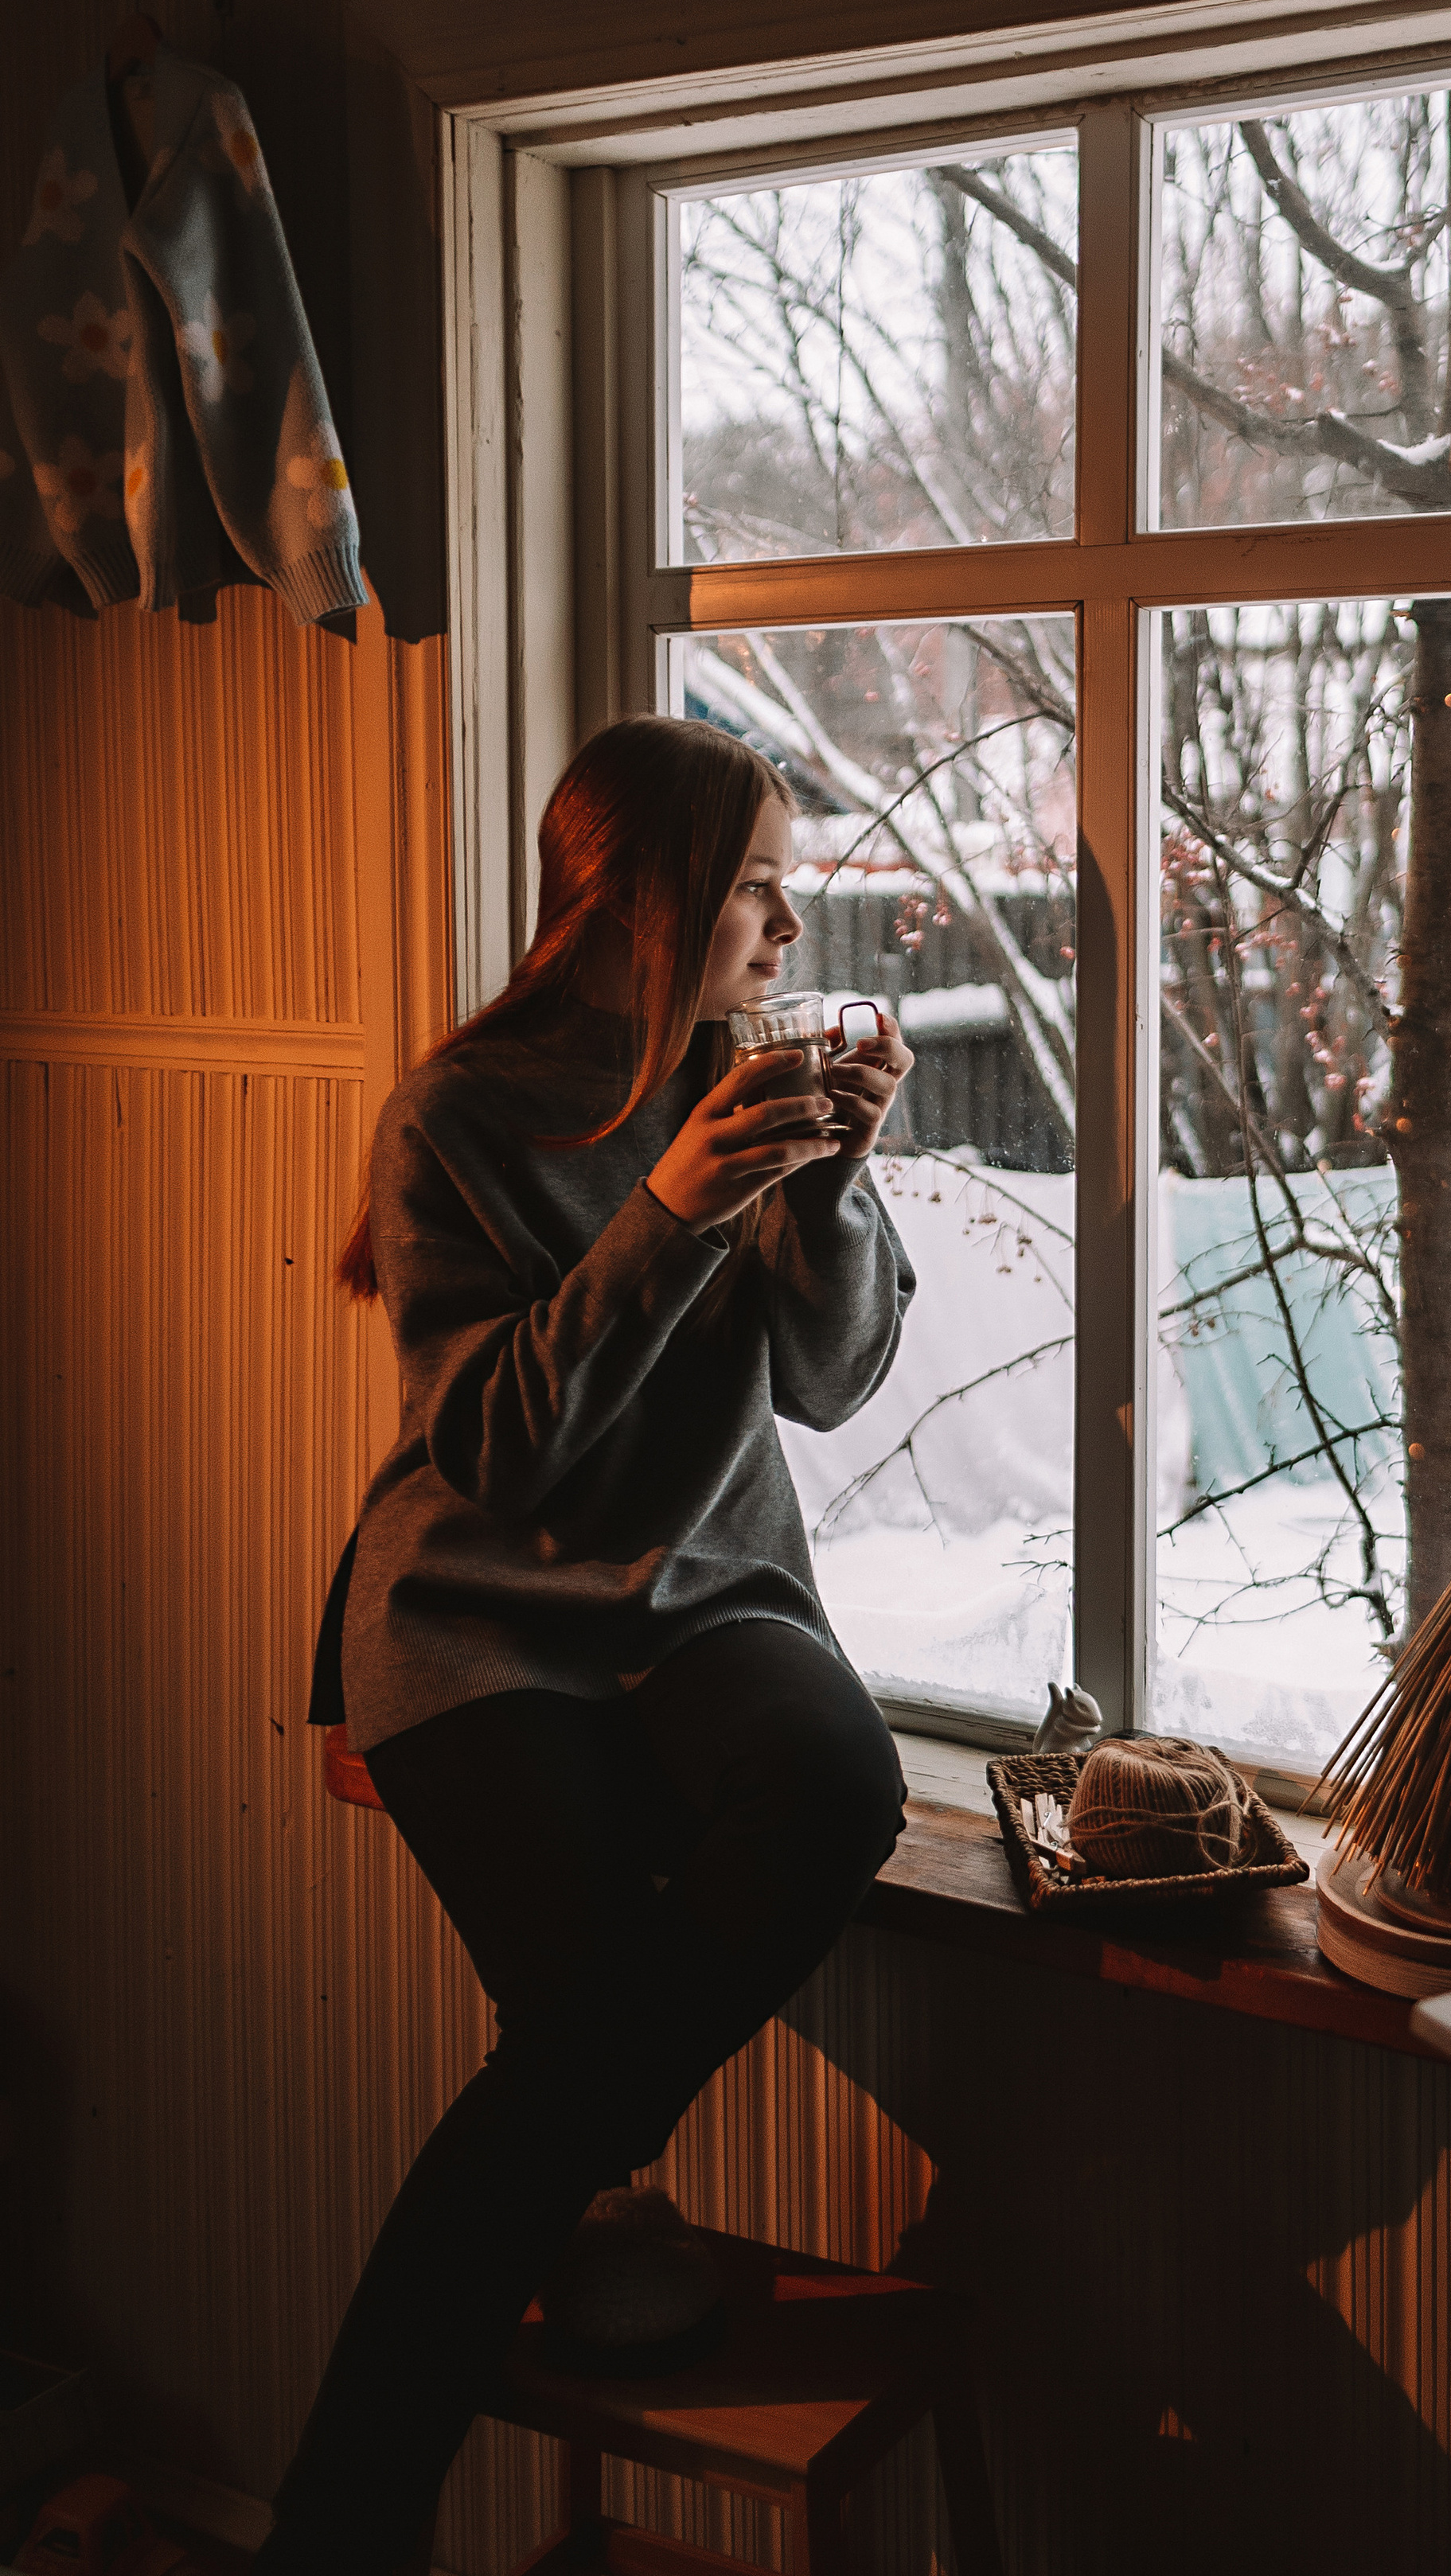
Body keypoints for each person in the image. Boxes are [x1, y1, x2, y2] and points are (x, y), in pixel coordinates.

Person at [259, 715, 917, 2572]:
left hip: (707, 1581)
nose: (791, 925)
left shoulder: (743, 1079)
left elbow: (834, 1377)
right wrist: (671, 1208)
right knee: (570, 1997)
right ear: (643, 901)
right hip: (478, 1607)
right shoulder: (454, 1119)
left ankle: (355, 2488)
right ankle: (361, 2506)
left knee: (836, 1783)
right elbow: (505, 1455)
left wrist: (834, 1186)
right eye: (762, 886)